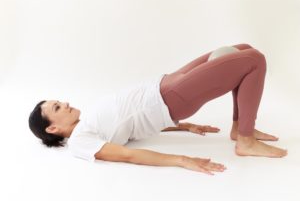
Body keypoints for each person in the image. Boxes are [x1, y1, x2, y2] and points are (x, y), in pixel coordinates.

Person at [28, 43, 288, 175]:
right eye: (58, 107)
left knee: (243, 50)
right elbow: (127, 155)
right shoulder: (80, 142)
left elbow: (130, 123)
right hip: (170, 97)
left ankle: (239, 127)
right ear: (53, 127)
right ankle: (245, 139)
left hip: (166, 83)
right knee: (254, 61)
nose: (66, 103)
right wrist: (181, 160)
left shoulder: (89, 126)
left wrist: (184, 127)